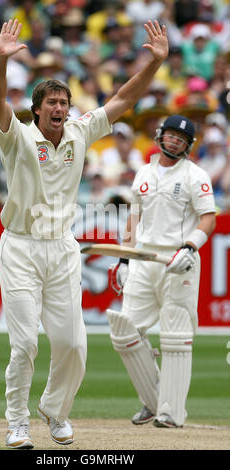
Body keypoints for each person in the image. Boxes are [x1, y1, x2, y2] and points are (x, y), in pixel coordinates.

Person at [0, 18, 169, 449]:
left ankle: (55, 410)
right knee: (25, 343)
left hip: (62, 248)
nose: (59, 108)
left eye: (64, 102)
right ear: (37, 108)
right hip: (20, 247)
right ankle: (16, 422)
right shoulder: (17, 138)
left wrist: (154, 63)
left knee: (72, 345)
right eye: (51, 102)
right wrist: (0, 60)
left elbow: (124, 98)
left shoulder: (80, 130)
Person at [107, 114, 216, 428]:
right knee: (125, 330)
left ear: (188, 145)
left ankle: (172, 412)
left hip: (177, 261)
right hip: (142, 259)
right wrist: (125, 260)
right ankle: (153, 401)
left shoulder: (196, 175)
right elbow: (133, 218)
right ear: (160, 136)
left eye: (181, 139)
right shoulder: (144, 171)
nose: (174, 142)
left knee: (175, 336)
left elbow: (208, 218)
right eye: (170, 136)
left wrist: (191, 247)